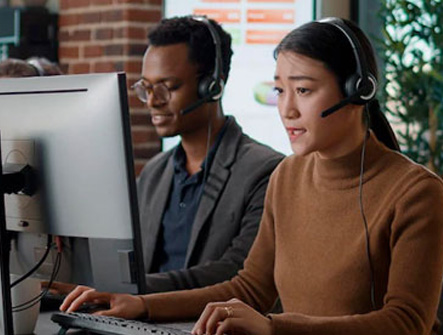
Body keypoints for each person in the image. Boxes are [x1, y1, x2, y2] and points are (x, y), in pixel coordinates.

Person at [61, 17, 443, 335]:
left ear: (357, 91)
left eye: (304, 90)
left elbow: (407, 322)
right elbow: (249, 287)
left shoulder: (416, 193)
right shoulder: (288, 176)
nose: (287, 109)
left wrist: (274, 328)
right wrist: (142, 305)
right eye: (280, 90)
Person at [53, 15, 283, 296]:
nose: (153, 101)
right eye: (147, 88)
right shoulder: (154, 172)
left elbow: (237, 271)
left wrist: (133, 292)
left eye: (168, 87)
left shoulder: (266, 171)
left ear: (212, 85)